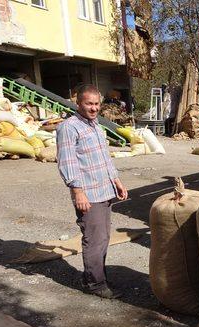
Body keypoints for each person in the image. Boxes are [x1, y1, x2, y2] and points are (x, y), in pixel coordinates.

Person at [57, 84, 129, 299]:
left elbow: (105, 158)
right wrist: (78, 192)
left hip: (105, 190)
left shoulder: (96, 126)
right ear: (78, 103)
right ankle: (95, 285)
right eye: (89, 103)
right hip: (88, 193)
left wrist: (116, 180)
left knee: (103, 237)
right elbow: (67, 162)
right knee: (94, 239)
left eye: (97, 104)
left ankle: (97, 276)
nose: (94, 108)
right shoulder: (69, 127)